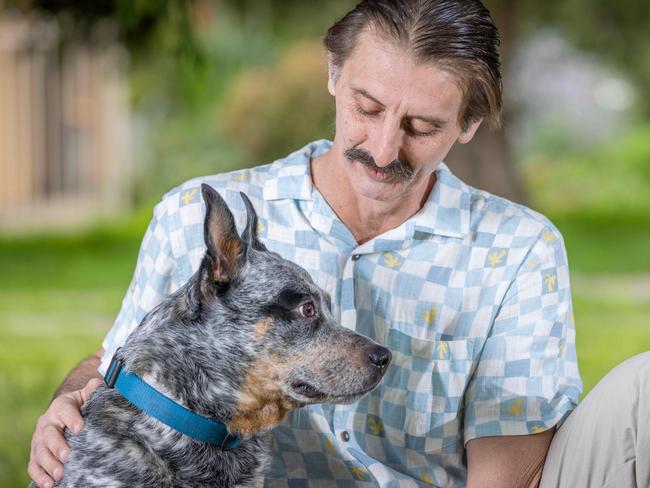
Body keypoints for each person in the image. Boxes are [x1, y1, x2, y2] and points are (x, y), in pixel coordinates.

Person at [28, 1, 650, 487]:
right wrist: (65, 409)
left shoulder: (518, 247)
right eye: (367, 106)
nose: (382, 149)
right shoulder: (196, 211)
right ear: (333, 73)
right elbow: (114, 366)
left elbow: (509, 467)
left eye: (422, 126)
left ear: (468, 125)